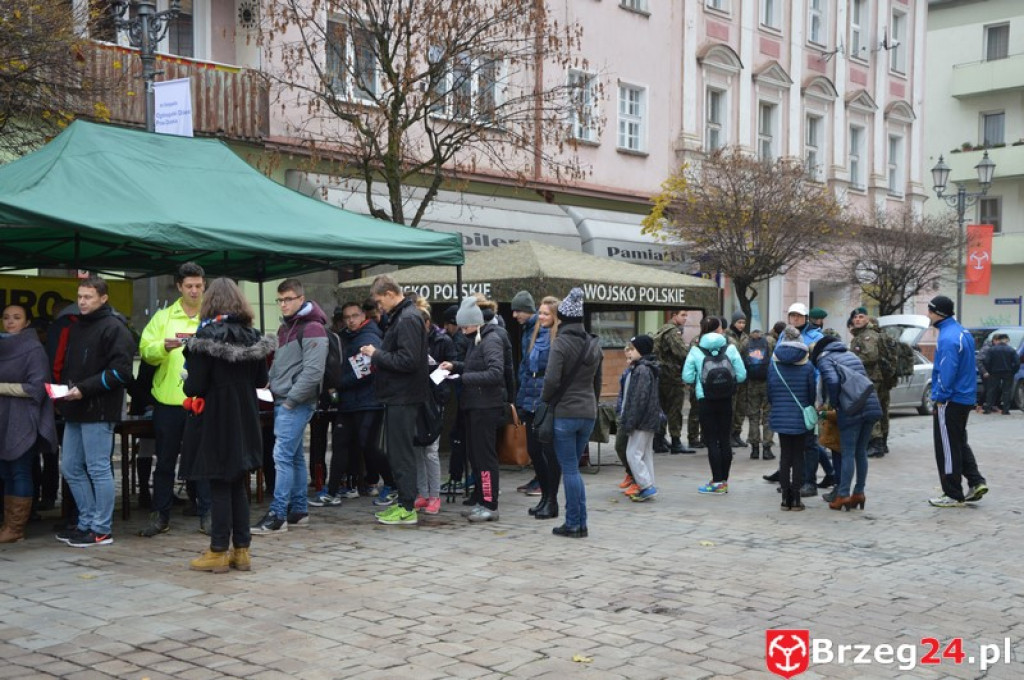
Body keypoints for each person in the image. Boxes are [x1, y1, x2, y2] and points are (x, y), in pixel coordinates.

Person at [179, 278, 276, 573]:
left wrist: (186, 375)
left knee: (219, 481)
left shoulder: (204, 337)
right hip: (246, 415)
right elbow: (261, 381)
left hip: (216, 418)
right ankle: (242, 550)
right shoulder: (252, 336)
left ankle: (219, 550)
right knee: (238, 483)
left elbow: (193, 386)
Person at [55, 276, 135, 547]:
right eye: (80, 296)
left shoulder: (115, 328)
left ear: (103, 298)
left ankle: (101, 529)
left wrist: (85, 389)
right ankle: (87, 522)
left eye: (88, 297)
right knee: (70, 467)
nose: (82, 301)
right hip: (75, 407)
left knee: (98, 468)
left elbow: (121, 372)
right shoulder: (77, 327)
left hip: (99, 410)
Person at [137, 262, 211, 538]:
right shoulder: (163, 317)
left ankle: (208, 515)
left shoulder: (212, 317)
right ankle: (160, 517)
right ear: (179, 287)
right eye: (189, 286)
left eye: (199, 286)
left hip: (201, 401)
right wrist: (161, 347)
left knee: (203, 463)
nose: (194, 290)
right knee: (165, 463)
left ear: (205, 285)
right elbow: (145, 350)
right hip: (168, 403)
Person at [253, 278, 328, 534]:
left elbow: (314, 371)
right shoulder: (287, 327)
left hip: (293, 402)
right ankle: (297, 511)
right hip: (284, 399)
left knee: (281, 456)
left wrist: (291, 401)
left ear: (300, 298)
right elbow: (282, 363)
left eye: (288, 299)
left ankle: (277, 515)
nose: (283, 304)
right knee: (293, 456)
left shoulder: (313, 328)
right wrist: (269, 384)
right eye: (280, 299)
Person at [361, 274, 429, 525]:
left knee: (401, 454)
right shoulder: (404, 316)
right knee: (396, 452)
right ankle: (404, 502)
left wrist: (376, 354)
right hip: (398, 395)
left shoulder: (408, 318)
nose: (379, 306)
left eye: (380, 301)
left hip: (403, 395)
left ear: (390, 294)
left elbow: (408, 361)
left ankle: (407, 507)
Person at [311, 301, 386, 507]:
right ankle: (332, 491)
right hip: (348, 402)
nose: (350, 320)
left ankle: (391, 484)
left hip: (368, 401)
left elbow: (364, 371)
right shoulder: (345, 336)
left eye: (354, 316)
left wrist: (336, 385)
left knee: (369, 447)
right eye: (347, 317)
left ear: (363, 316)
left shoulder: (369, 337)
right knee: (340, 444)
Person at [542, 288, 602, 538]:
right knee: (573, 468)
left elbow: (551, 381)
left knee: (569, 470)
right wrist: (592, 403)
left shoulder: (561, 344)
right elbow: (597, 383)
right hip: (588, 412)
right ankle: (581, 521)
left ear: (563, 318)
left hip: (565, 413)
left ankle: (574, 523)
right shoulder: (594, 344)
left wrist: (546, 401)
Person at [441, 297, 507, 523]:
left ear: (476, 323)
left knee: (485, 458)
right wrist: (455, 366)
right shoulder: (476, 339)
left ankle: (490, 504)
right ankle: (480, 500)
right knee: (476, 457)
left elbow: (495, 373)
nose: (463, 331)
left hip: (485, 407)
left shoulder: (491, 340)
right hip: (474, 406)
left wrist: (463, 377)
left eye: (466, 327)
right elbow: (474, 366)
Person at [1, 305, 58, 542]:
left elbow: (38, 387)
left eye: (16, 317)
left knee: (20, 470)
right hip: (3, 417)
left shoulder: (33, 349)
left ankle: (16, 528)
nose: (10, 322)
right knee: (5, 472)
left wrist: (2, 388)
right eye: (6, 317)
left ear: (27, 323)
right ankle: (7, 524)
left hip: (24, 417)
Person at [925, 295, 989, 508]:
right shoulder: (963, 332)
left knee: (946, 447)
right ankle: (976, 481)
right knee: (959, 441)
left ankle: (952, 492)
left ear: (937, 313)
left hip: (950, 399)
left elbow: (947, 370)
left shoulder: (947, 337)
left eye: (930, 311)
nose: (928, 315)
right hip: (965, 397)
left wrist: (940, 398)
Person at [811, 334, 882, 511]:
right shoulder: (851, 355)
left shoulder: (825, 359)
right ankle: (859, 492)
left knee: (848, 452)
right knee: (861, 452)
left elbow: (833, 380)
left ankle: (843, 495)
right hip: (871, 404)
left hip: (851, 408)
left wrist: (834, 404)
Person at [683, 316, 747, 495]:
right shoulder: (731, 348)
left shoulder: (696, 350)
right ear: (719, 329)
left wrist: (698, 381)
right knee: (725, 440)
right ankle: (723, 481)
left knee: (711, 441)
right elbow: (742, 375)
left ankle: (716, 481)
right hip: (726, 399)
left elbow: (687, 377)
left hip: (705, 400)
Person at [515, 295, 561, 519]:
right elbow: (525, 369)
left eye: (546, 313)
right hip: (531, 398)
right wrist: (521, 400)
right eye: (540, 313)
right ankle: (544, 496)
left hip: (547, 400)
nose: (541, 316)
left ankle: (551, 499)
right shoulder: (533, 334)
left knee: (548, 451)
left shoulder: (557, 338)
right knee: (533, 450)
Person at [766, 326, 815, 511]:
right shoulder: (807, 364)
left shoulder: (774, 363)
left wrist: (777, 405)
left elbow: (769, 391)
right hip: (800, 415)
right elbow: (811, 393)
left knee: (785, 457)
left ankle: (785, 499)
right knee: (798, 457)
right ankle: (796, 499)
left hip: (780, 414)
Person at [414, 302, 455, 515]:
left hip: (435, 399)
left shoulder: (442, 341)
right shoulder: (412, 341)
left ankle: (434, 496)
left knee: (431, 450)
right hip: (417, 399)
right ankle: (422, 493)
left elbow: (449, 370)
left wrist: (433, 370)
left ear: (428, 323)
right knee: (418, 447)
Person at [618, 334, 661, 502]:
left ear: (641, 351)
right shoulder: (644, 367)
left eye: (633, 349)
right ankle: (648, 484)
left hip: (642, 420)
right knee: (644, 454)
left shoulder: (642, 370)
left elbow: (638, 399)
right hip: (648, 419)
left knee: (633, 454)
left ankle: (645, 485)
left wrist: (631, 421)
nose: (630, 351)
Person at [510, 290, 542, 496]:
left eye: (518, 311)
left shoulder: (539, 330)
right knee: (532, 443)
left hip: (536, 396)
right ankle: (538, 477)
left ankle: (542, 480)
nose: (514, 315)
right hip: (529, 392)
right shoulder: (528, 330)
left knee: (538, 442)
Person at [653, 310, 695, 454]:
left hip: (662, 375)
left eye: (686, 315)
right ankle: (676, 441)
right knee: (675, 409)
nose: (685, 318)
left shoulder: (663, 329)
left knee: (662, 408)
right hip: (672, 376)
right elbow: (682, 353)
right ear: (674, 316)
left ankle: (659, 440)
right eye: (683, 315)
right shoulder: (673, 332)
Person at [848, 307, 888, 458]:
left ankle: (876, 443)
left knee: (871, 410)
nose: (857, 319)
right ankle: (882, 442)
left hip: (871, 378)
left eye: (861, 317)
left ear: (867, 319)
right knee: (881, 409)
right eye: (855, 317)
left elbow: (871, 356)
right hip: (874, 378)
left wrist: (852, 360)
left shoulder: (867, 336)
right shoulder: (863, 334)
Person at [741, 326, 775, 460]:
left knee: (753, 416)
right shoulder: (770, 341)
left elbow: (742, 361)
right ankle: (767, 448)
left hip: (752, 383)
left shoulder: (745, 343)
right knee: (768, 415)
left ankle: (754, 449)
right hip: (768, 382)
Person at [726, 311, 749, 449]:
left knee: (741, 407)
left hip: (743, 376)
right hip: (731, 376)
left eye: (743, 322)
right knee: (731, 407)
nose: (741, 325)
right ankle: (728, 435)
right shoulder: (726, 336)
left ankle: (737, 433)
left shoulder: (746, 337)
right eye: (739, 322)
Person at [980, 333, 1020, 415]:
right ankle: (1005, 410)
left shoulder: (992, 350)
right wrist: (1013, 371)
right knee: (1007, 391)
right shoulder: (1011, 350)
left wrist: (989, 370)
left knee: (991, 390)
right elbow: (1017, 363)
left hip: (994, 372)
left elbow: (987, 362)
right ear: (1006, 340)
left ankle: (988, 409)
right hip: (1008, 372)